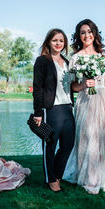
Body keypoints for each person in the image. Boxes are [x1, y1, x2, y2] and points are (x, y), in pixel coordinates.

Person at [63, 19, 105, 194]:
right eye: (83, 32)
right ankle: (88, 177)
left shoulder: (103, 57)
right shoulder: (76, 58)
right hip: (85, 101)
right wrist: (84, 84)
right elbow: (72, 86)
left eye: (89, 31)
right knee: (86, 136)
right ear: (79, 36)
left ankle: (104, 175)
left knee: (103, 137)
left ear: (95, 33)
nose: (87, 35)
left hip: (102, 100)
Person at [33, 28, 75, 192]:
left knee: (68, 144)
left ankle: (57, 174)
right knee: (50, 146)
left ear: (64, 44)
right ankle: (51, 179)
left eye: (61, 41)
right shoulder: (42, 61)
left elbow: (70, 86)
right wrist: (38, 113)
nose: (58, 43)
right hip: (51, 109)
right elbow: (37, 88)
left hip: (67, 108)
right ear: (48, 42)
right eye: (55, 40)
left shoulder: (67, 61)